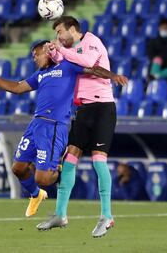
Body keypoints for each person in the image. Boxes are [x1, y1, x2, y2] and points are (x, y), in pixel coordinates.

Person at [0, 40, 127, 218]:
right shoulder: (40, 74)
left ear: (48, 52)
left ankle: (61, 169)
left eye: (36, 55)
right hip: (36, 125)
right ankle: (36, 194)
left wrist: (113, 75)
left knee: (43, 178)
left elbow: (92, 68)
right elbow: (17, 88)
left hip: (54, 127)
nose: (35, 59)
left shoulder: (67, 66)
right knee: (17, 168)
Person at [37, 16, 128, 238]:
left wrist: (60, 50)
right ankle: (60, 214)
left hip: (102, 108)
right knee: (70, 159)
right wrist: (53, 52)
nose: (58, 37)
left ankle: (106, 216)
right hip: (83, 110)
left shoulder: (91, 41)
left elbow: (87, 62)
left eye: (60, 32)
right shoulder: (70, 49)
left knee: (99, 160)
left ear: (72, 29)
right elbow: (66, 62)